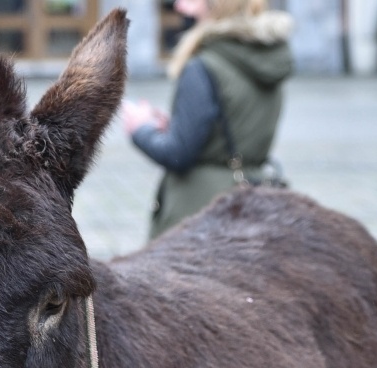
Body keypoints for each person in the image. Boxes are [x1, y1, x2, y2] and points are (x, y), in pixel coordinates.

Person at [122, 0, 293, 239]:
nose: (179, 7)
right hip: (255, 199)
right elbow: (238, 123)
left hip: (201, 211)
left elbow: (178, 153)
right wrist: (177, 125)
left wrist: (140, 129)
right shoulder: (268, 56)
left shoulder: (203, 67)